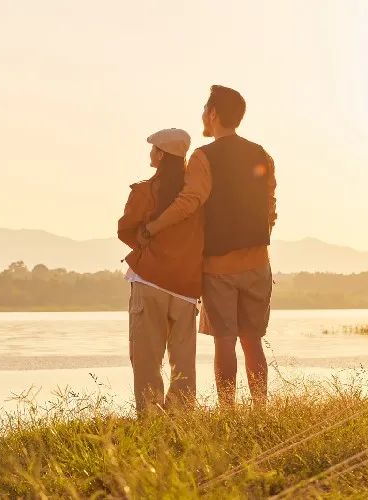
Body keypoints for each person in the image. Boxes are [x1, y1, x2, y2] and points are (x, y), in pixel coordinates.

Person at [141, 86, 277, 407]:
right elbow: (270, 205)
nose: (203, 113)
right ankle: (260, 411)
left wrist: (155, 225)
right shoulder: (262, 154)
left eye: (205, 107)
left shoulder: (204, 156)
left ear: (213, 113)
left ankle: (227, 413)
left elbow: (190, 201)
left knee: (225, 342)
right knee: (253, 341)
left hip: (219, 266)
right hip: (259, 262)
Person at [117, 128, 205, 414]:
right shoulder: (197, 197)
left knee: (146, 357)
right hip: (187, 287)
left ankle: (151, 418)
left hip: (149, 282)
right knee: (183, 361)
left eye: (153, 148)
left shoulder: (144, 191)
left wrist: (146, 244)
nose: (150, 153)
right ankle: (181, 418)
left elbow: (126, 230)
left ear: (161, 154)